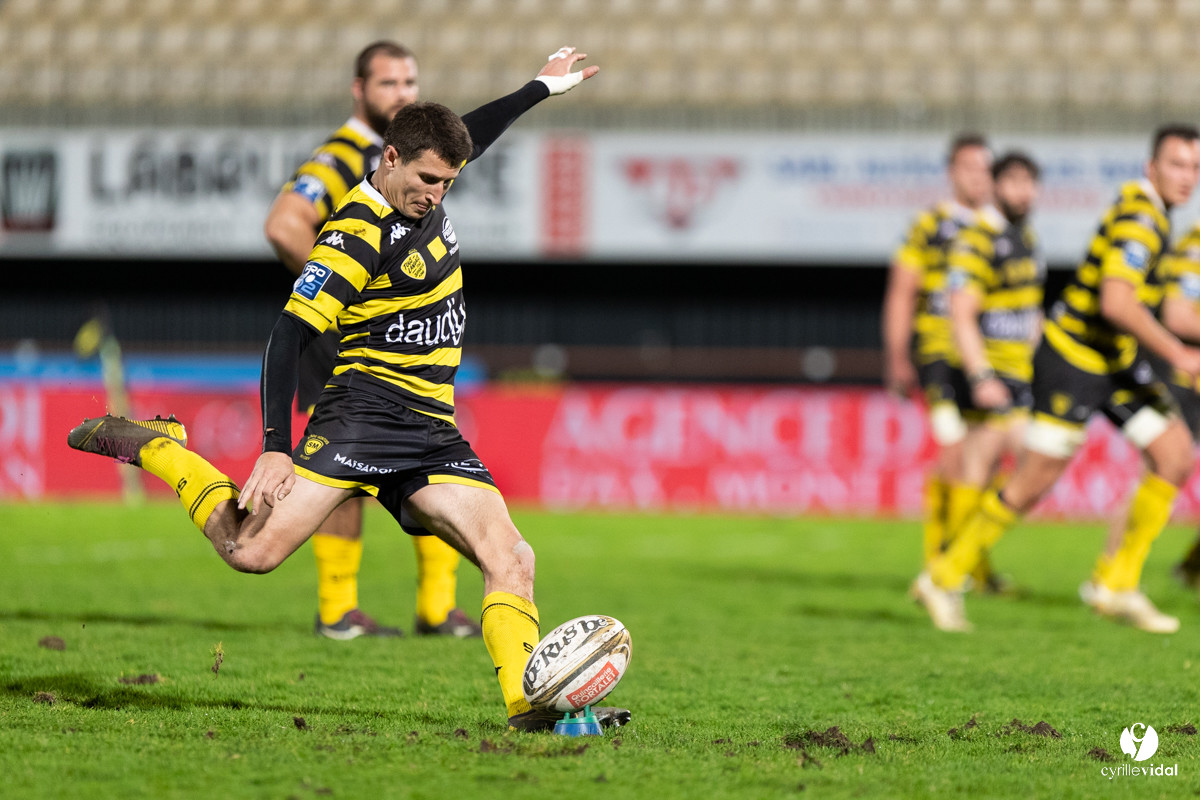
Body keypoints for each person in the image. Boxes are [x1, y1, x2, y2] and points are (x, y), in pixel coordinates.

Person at [69, 49, 631, 732]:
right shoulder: (354, 235)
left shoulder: (429, 170)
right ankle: (162, 450)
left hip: (429, 429)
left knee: (512, 556)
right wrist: (276, 447)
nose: (437, 195)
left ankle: (526, 705)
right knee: (251, 553)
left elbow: (469, 136)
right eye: (426, 180)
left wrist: (542, 86)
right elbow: (287, 338)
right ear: (389, 158)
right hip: (360, 419)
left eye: (449, 183)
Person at [913, 125, 1200, 633]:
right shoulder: (1141, 218)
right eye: (1176, 165)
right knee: (1034, 478)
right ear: (1151, 168)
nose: (1187, 176)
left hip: (1112, 363)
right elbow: (1115, 301)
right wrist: (1177, 351)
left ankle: (1115, 585)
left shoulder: (1152, 214)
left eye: (1195, 167)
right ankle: (943, 576)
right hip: (1073, 361)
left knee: (1174, 454)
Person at [263, 41, 474, 640]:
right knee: (344, 478)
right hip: (349, 340)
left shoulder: (421, 153)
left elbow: (475, 133)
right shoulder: (338, 157)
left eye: (410, 81)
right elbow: (283, 225)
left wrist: (538, 89)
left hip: (402, 339)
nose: (403, 93)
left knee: (430, 460)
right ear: (360, 90)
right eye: (389, 84)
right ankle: (338, 610)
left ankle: (435, 607)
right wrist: (340, 297)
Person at [882, 133, 1000, 586]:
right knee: (953, 455)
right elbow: (902, 291)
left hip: (988, 359)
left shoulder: (1000, 227)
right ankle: (940, 563)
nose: (978, 177)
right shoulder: (930, 224)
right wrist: (897, 355)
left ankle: (974, 560)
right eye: (969, 168)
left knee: (986, 460)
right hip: (939, 355)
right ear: (952, 172)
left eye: (985, 169)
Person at [940, 152, 1044, 556]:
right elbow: (961, 313)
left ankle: (961, 563)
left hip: (1020, 371)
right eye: (1014, 181)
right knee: (987, 466)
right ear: (995, 185)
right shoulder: (975, 238)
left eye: (1030, 182)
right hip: (986, 372)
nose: (1024, 191)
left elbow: (1030, 309)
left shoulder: (1028, 239)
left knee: (1007, 470)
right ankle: (955, 567)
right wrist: (981, 375)